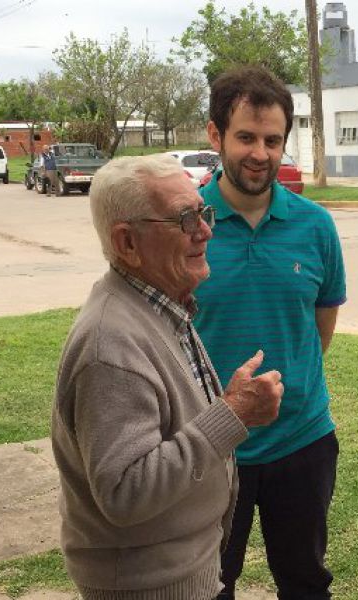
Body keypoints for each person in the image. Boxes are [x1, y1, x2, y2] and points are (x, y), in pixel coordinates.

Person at [50, 154, 285, 600]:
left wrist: (224, 408)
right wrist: (231, 414)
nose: (206, 230)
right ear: (128, 243)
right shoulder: (110, 346)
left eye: (203, 211)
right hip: (149, 585)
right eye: (184, 218)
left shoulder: (159, 303)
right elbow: (125, 491)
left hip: (178, 572)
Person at [194, 66, 347, 600]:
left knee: (305, 582)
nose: (260, 153)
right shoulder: (186, 225)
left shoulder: (316, 226)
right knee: (209, 584)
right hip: (210, 446)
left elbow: (320, 329)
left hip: (301, 442)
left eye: (272, 140)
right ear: (215, 135)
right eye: (245, 137)